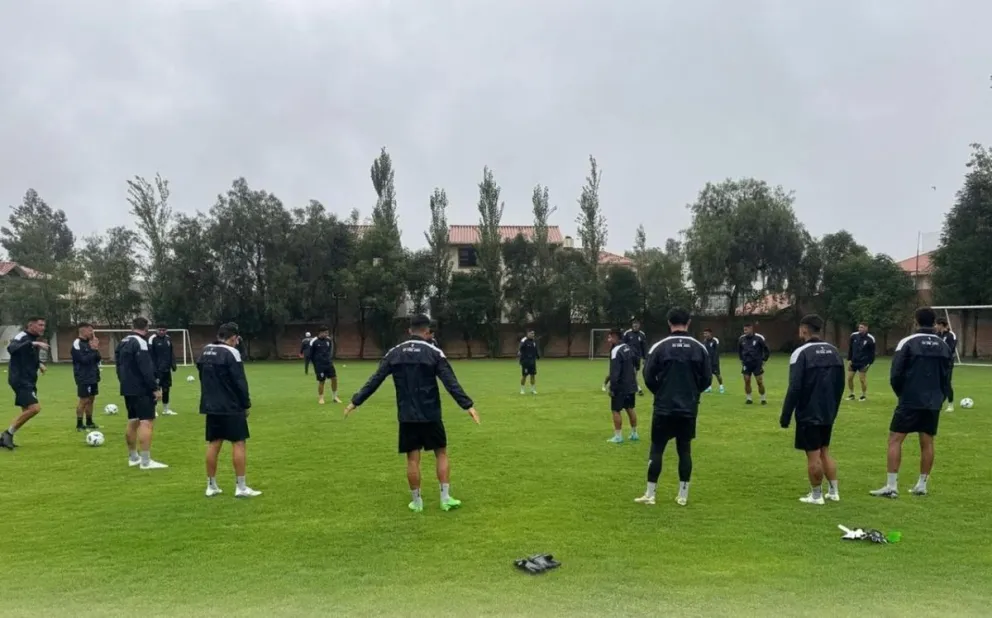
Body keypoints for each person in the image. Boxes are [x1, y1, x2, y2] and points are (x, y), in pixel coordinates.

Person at [344, 314, 479, 513]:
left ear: (409, 331)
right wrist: (468, 405)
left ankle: (417, 502)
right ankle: (445, 498)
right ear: (427, 332)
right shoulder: (434, 352)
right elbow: (450, 381)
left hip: (407, 415)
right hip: (431, 413)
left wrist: (355, 401)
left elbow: (375, 380)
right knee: (440, 453)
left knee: (412, 459)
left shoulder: (394, 353)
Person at [870, 307, 952, 498]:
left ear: (916, 321)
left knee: (895, 439)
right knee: (927, 441)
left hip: (910, 399)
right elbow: (947, 376)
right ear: (933, 323)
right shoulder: (943, 345)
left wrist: (902, 394)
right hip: (933, 401)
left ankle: (891, 486)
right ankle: (922, 485)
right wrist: (940, 396)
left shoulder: (907, 342)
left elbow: (896, 373)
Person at [635, 308, 711, 507]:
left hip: (664, 407)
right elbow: (707, 379)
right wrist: (693, 394)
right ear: (689, 322)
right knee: (684, 450)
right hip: (688, 407)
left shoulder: (660, 347)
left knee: (657, 448)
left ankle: (650, 494)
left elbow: (648, 375)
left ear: (669, 322)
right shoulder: (699, 348)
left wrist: (660, 392)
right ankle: (682, 495)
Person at [779, 315, 845, 505]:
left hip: (809, 411)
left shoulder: (801, 353)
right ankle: (834, 492)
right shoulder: (834, 352)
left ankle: (816, 496)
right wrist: (833, 407)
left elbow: (795, 387)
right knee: (825, 451)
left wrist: (786, 415)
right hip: (828, 411)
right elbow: (840, 385)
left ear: (804, 330)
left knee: (813, 454)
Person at [198, 322, 260, 498]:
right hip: (231, 405)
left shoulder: (205, 350)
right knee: (238, 442)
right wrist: (246, 404)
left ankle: (211, 485)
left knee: (214, 442)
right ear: (233, 337)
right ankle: (241, 487)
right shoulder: (232, 352)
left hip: (211, 405)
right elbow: (239, 381)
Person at [117, 317, 167, 470]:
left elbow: (118, 366)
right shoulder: (141, 342)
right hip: (141, 388)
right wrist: (155, 388)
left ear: (132, 326)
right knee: (146, 421)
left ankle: (133, 457)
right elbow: (145, 367)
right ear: (147, 328)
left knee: (133, 420)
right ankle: (146, 461)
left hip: (127, 387)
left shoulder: (123, 341)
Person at [1, 317, 48, 449]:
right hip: (20, 379)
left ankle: (6, 438)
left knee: (27, 411)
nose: (43, 327)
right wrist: (33, 344)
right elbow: (11, 348)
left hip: (28, 379)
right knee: (34, 409)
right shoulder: (23, 336)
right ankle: (6, 434)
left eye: (44, 325)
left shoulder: (33, 339)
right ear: (31, 325)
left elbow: (27, 356)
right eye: (40, 325)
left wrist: (39, 364)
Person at [606, 328, 639, 443]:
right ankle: (634, 433)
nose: (608, 339)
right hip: (631, 384)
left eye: (609, 337)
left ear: (615, 336)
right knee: (630, 408)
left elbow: (615, 371)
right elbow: (636, 363)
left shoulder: (616, 350)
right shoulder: (628, 348)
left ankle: (618, 436)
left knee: (616, 410)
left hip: (620, 386)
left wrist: (612, 387)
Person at [71, 323, 101, 431]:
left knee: (91, 399)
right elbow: (83, 360)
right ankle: (79, 424)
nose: (92, 333)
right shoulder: (77, 343)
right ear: (83, 331)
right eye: (90, 331)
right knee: (84, 400)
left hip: (93, 375)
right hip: (83, 376)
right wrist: (93, 349)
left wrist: (96, 348)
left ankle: (89, 422)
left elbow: (97, 359)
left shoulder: (90, 343)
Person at [148, 325, 178, 416]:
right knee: (156, 389)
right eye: (160, 330)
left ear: (166, 331)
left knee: (166, 389)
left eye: (163, 330)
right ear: (157, 330)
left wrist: (173, 363)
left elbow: (171, 352)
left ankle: (166, 410)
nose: (161, 332)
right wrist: (152, 368)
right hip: (156, 370)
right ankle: (153, 410)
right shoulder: (152, 339)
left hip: (166, 369)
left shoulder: (168, 339)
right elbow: (149, 354)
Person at [738, 323, 770, 405]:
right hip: (746, 363)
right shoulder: (741, 339)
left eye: (746, 330)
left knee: (759, 381)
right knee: (747, 380)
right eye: (744, 330)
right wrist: (742, 359)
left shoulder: (759, 338)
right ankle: (749, 398)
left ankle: (763, 398)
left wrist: (764, 360)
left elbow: (766, 349)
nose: (745, 331)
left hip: (757, 363)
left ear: (751, 329)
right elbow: (739, 350)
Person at [309, 326, 339, 404]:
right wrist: (315, 365)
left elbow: (328, 351)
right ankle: (321, 398)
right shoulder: (314, 341)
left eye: (327, 333)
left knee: (334, 378)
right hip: (319, 365)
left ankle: (335, 397)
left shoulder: (328, 340)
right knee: (322, 381)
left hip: (328, 364)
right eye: (326, 333)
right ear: (321, 333)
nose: (327, 334)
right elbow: (310, 355)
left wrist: (329, 360)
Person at [846, 322, 876, 401]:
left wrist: (869, 362)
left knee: (862, 379)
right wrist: (849, 359)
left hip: (864, 362)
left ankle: (863, 395)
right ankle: (851, 394)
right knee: (849, 378)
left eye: (862, 327)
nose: (860, 329)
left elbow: (872, 352)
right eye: (859, 327)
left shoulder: (870, 338)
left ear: (866, 328)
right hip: (853, 361)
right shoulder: (853, 336)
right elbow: (850, 349)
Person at [935, 318, 957, 412]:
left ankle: (950, 404)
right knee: (937, 383)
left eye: (936, 324)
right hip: (937, 363)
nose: (935, 326)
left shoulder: (951, 335)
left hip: (947, 363)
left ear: (941, 325)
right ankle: (938, 403)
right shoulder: (936, 335)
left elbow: (951, 349)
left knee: (946, 383)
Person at [623, 319, 648, 395]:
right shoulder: (627, 333)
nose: (635, 327)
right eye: (634, 325)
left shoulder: (642, 334)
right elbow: (623, 345)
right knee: (632, 373)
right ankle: (638, 388)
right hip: (629, 356)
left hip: (637, 357)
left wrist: (645, 358)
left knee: (635, 373)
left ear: (639, 326)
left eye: (637, 325)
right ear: (632, 326)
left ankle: (632, 385)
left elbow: (644, 347)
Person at [701, 328, 724, 394]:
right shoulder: (704, 341)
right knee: (708, 375)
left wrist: (715, 361)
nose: (705, 335)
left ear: (710, 333)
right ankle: (709, 387)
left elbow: (716, 352)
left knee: (717, 375)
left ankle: (721, 387)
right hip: (707, 362)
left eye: (706, 333)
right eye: (704, 333)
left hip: (714, 361)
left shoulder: (715, 340)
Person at [518, 329, 539, 395]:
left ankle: (533, 390)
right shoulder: (524, 340)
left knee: (533, 375)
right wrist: (519, 352)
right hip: (525, 361)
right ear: (528, 334)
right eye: (531, 333)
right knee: (524, 375)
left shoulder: (533, 341)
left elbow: (535, 350)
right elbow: (520, 348)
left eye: (533, 333)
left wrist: (537, 356)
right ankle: (522, 390)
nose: (533, 335)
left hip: (532, 361)